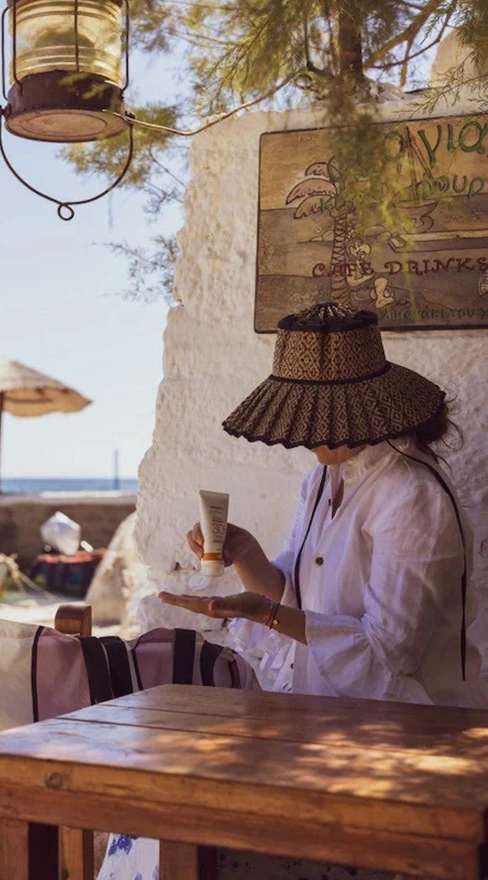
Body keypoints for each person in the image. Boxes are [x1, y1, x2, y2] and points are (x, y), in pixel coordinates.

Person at [98, 302, 486, 880]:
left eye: (319, 418)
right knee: (162, 819)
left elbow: (393, 652)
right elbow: (296, 596)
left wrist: (267, 615)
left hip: (403, 746)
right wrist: (246, 556)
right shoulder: (322, 478)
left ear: (364, 410)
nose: (308, 436)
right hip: (320, 725)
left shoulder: (412, 495)